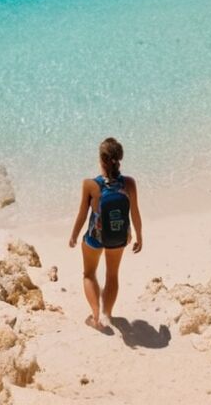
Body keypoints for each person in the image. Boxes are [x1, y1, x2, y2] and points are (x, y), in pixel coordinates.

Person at [68, 137, 143, 331]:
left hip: (95, 237)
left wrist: (74, 235)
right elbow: (134, 212)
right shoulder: (129, 183)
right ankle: (107, 314)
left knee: (89, 274)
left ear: (101, 160)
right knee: (112, 275)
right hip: (119, 237)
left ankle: (95, 316)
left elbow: (82, 214)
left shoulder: (90, 185)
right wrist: (139, 236)